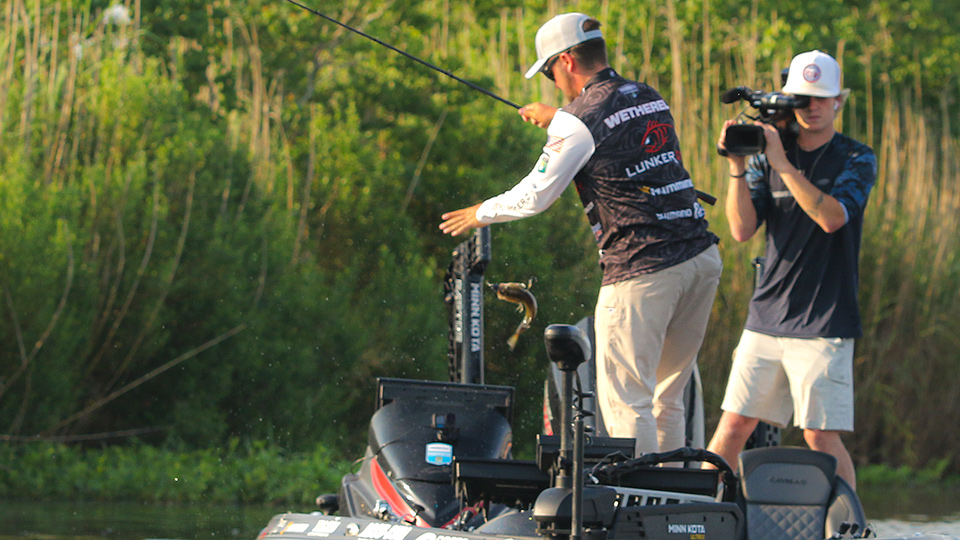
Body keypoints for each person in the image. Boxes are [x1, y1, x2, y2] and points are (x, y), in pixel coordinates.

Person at [439, 12, 721, 456]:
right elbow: (609, 128)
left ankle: (641, 495)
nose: (553, 82)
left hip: (642, 269)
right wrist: (559, 119)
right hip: (700, 260)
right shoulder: (646, 95)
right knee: (667, 397)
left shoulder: (578, 120)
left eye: (549, 71)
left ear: (567, 61)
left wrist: (480, 213)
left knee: (628, 401)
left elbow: (535, 194)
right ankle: (674, 490)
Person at [706, 50, 877, 489]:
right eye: (802, 99)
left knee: (819, 434)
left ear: (839, 101)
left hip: (824, 319)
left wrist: (783, 163)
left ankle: (851, 521)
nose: (812, 107)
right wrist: (737, 168)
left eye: (821, 98)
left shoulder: (857, 158)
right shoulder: (767, 158)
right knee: (734, 425)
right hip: (767, 315)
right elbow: (742, 229)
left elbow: (832, 218)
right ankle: (698, 510)